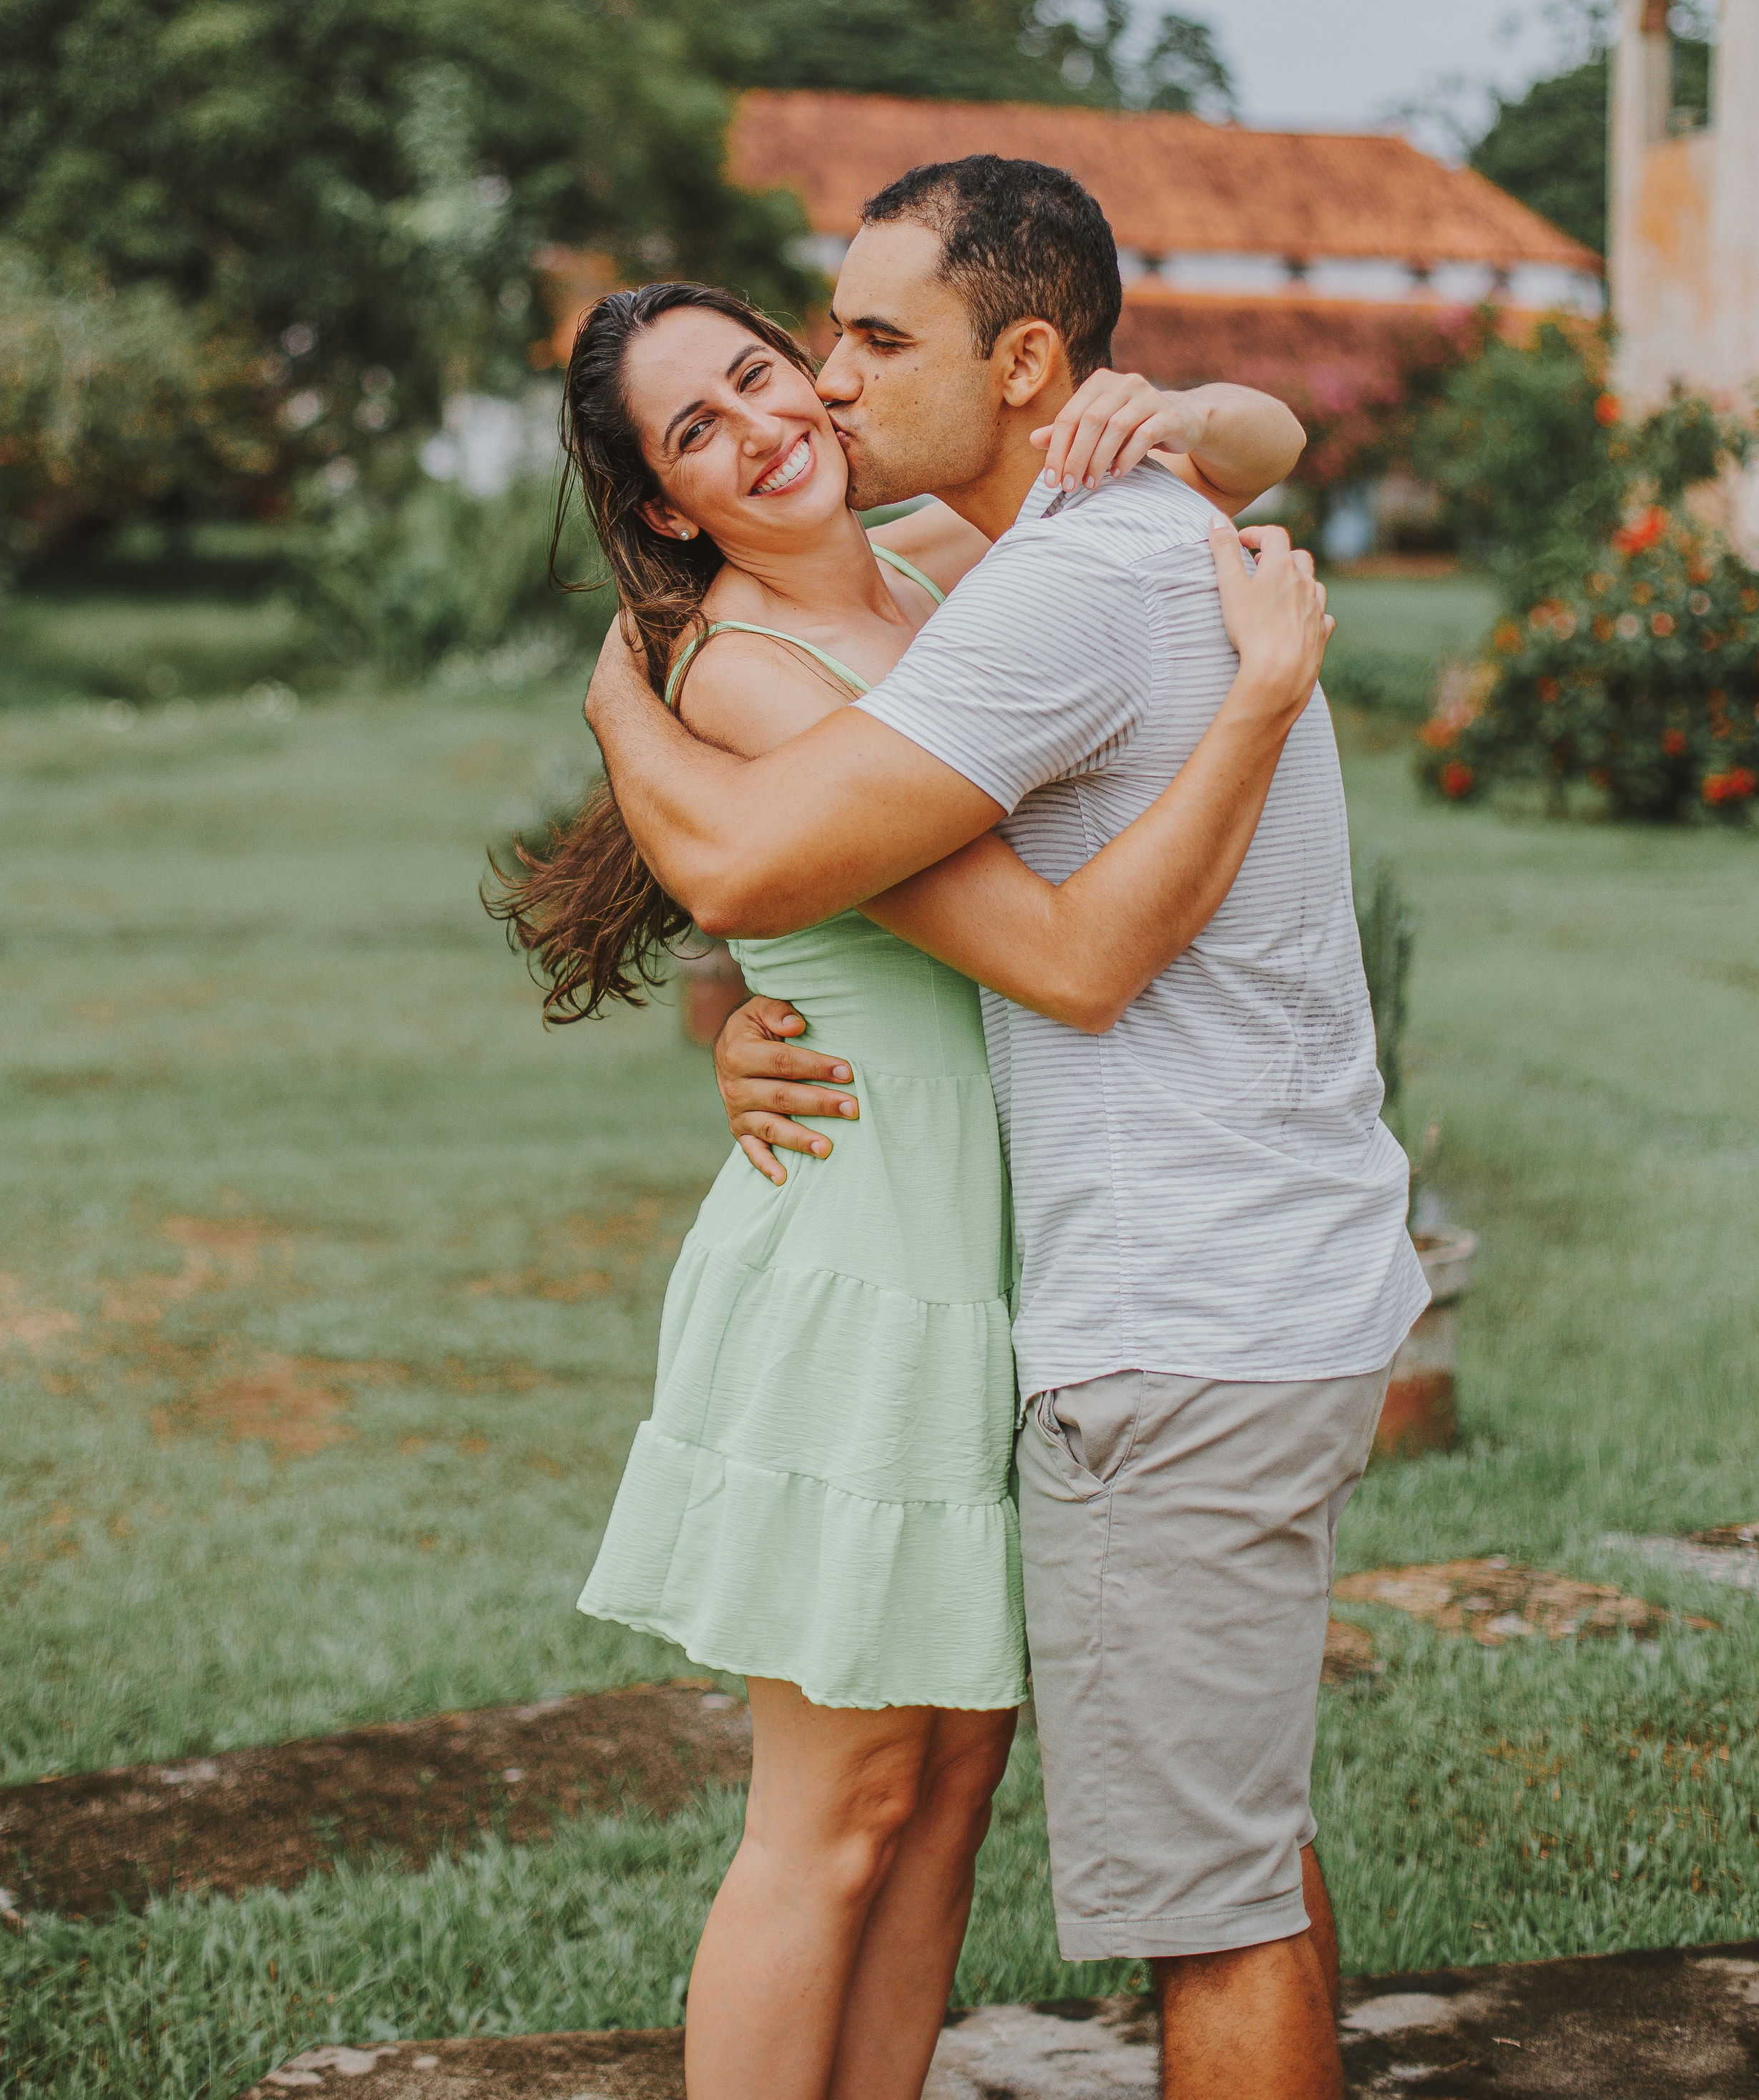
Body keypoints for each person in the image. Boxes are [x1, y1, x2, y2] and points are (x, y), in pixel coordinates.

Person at [582, 159, 1431, 2100]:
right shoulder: (813, 641)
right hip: (919, 1267)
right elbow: (975, 935)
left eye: (810, 358)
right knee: (872, 1810)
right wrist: (633, 692)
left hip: (1084, 1278)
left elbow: (1256, 436)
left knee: (981, 1801)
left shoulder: (989, 577)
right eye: (700, 427)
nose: (800, 403)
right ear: (664, 505)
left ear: (1025, 362)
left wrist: (1198, 414)